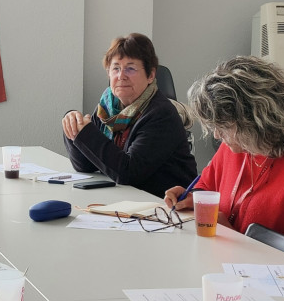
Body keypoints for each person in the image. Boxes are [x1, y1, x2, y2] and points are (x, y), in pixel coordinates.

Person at [164, 55, 284, 262]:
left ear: (255, 121)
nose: (217, 136)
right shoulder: (240, 147)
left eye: (223, 127)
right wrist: (193, 196)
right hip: (231, 268)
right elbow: (207, 184)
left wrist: (234, 238)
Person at [61, 33, 198, 197]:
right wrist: (73, 125)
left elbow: (128, 172)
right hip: (127, 201)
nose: (121, 76)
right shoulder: (108, 107)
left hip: (166, 208)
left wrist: (86, 133)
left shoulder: (161, 114)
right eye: (116, 68)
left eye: (130, 68)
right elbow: (85, 165)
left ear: (151, 75)